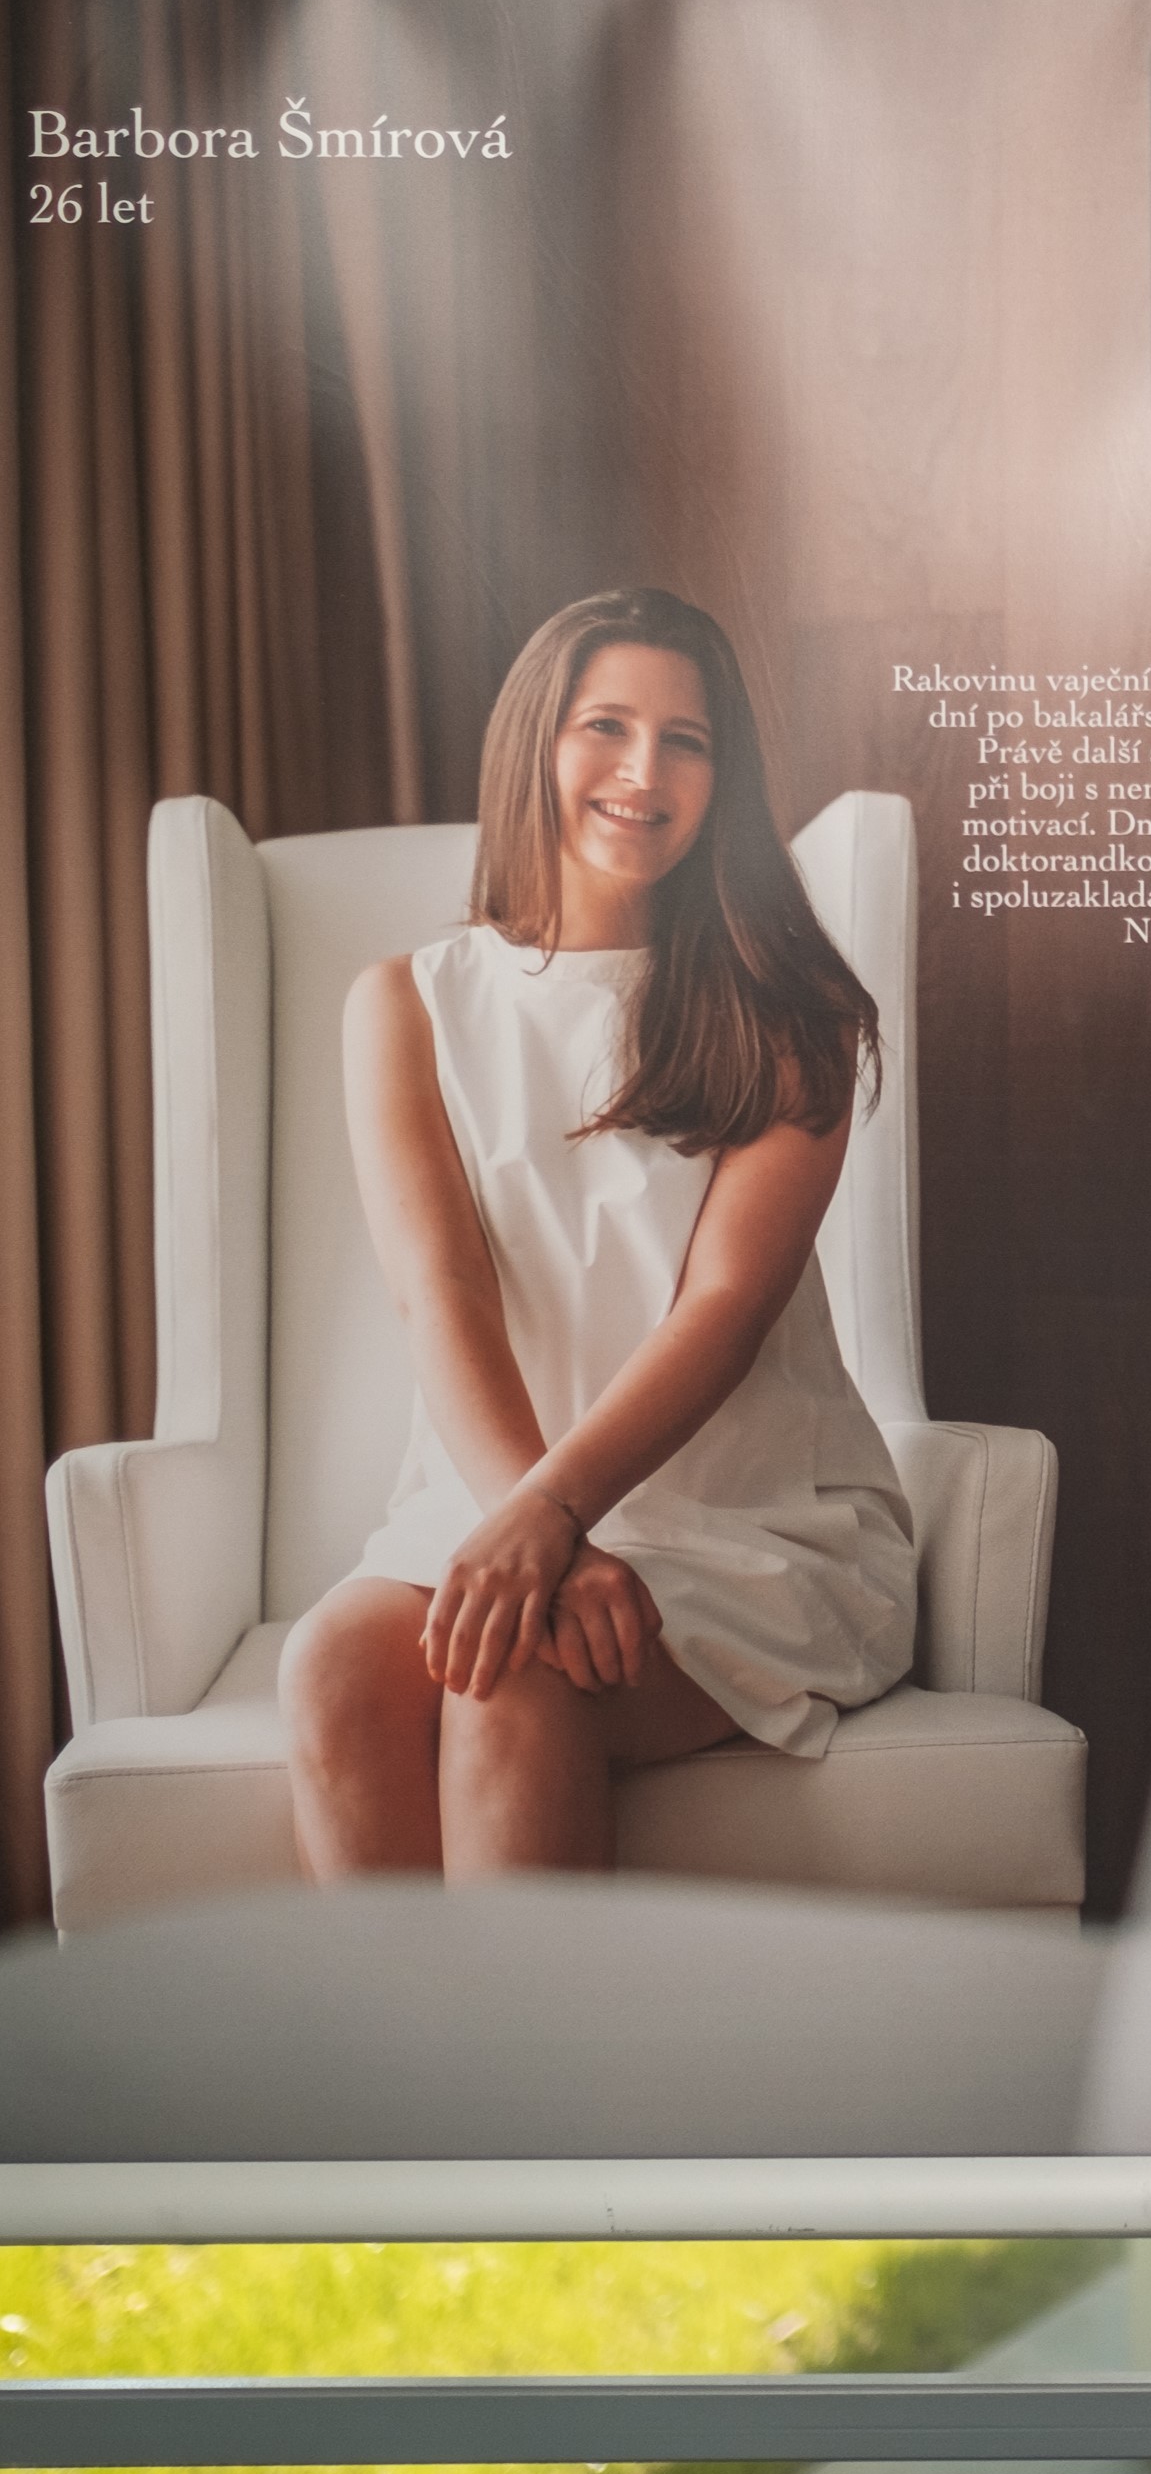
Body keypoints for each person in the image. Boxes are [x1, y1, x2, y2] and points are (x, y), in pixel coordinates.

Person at [277, 587, 918, 1879]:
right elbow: (441, 1293)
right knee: (334, 1666)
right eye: (607, 727)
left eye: (687, 741)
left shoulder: (789, 1012)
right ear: (537, 741)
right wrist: (537, 1526)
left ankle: (533, 2029)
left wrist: (559, 1516)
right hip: (491, 1498)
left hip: (745, 1525)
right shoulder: (405, 1004)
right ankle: (401, 2028)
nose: (644, 772)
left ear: (724, 780)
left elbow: (724, 1307)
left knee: (515, 1683)